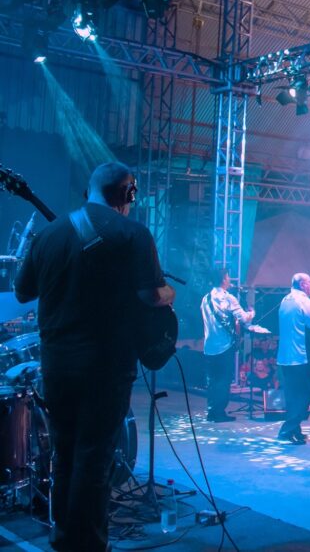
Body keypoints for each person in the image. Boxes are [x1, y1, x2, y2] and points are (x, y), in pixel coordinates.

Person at [15, 162, 175, 552]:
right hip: (106, 366)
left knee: (65, 454)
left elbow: (22, 291)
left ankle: (64, 538)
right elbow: (151, 295)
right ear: (126, 194)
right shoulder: (133, 234)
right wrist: (170, 292)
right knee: (95, 458)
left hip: (57, 366)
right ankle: (87, 545)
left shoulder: (48, 234)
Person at [200, 268, 266, 422]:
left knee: (212, 380)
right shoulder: (229, 298)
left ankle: (212, 411)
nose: (230, 279)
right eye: (228, 276)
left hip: (209, 346)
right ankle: (219, 413)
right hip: (224, 346)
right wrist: (252, 312)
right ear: (223, 279)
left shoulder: (205, 299)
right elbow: (244, 318)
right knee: (223, 380)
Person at [277, 272, 310, 444]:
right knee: (304, 395)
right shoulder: (305, 301)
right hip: (301, 357)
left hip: (285, 356)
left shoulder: (285, 300)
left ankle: (294, 430)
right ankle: (287, 430)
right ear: (303, 284)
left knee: (292, 396)